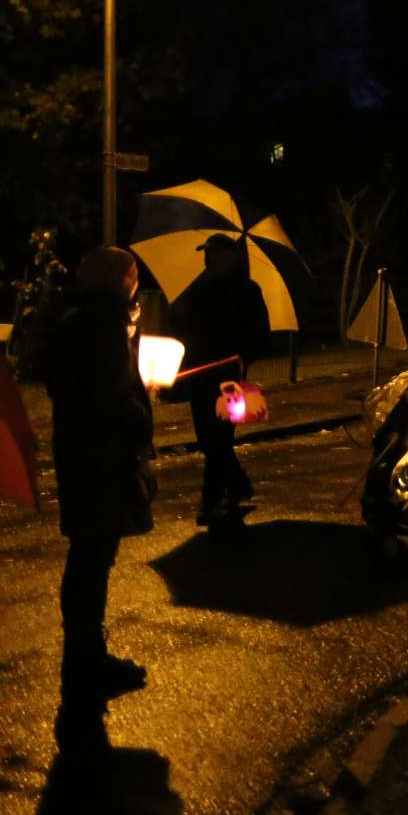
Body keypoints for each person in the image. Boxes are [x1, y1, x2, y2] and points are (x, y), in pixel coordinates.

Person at [41, 247, 156, 756]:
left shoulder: (72, 319)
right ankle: (86, 663)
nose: (136, 288)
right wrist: (139, 408)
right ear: (121, 282)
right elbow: (112, 396)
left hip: (79, 453)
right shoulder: (103, 324)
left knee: (90, 554)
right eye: (132, 279)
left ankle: (86, 655)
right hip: (102, 458)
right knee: (92, 556)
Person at [167, 233, 271, 525]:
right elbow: (178, 326)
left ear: (228, 257)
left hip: (227, 378)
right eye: (206, 252)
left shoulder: (243, 291)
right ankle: (235, 487)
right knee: (213, 439)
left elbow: (260, 334)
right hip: (203, 377)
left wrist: (243, 354)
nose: (206, 258)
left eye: (212, 253)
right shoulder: (200, 289)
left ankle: (214, 498)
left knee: (217, 438)